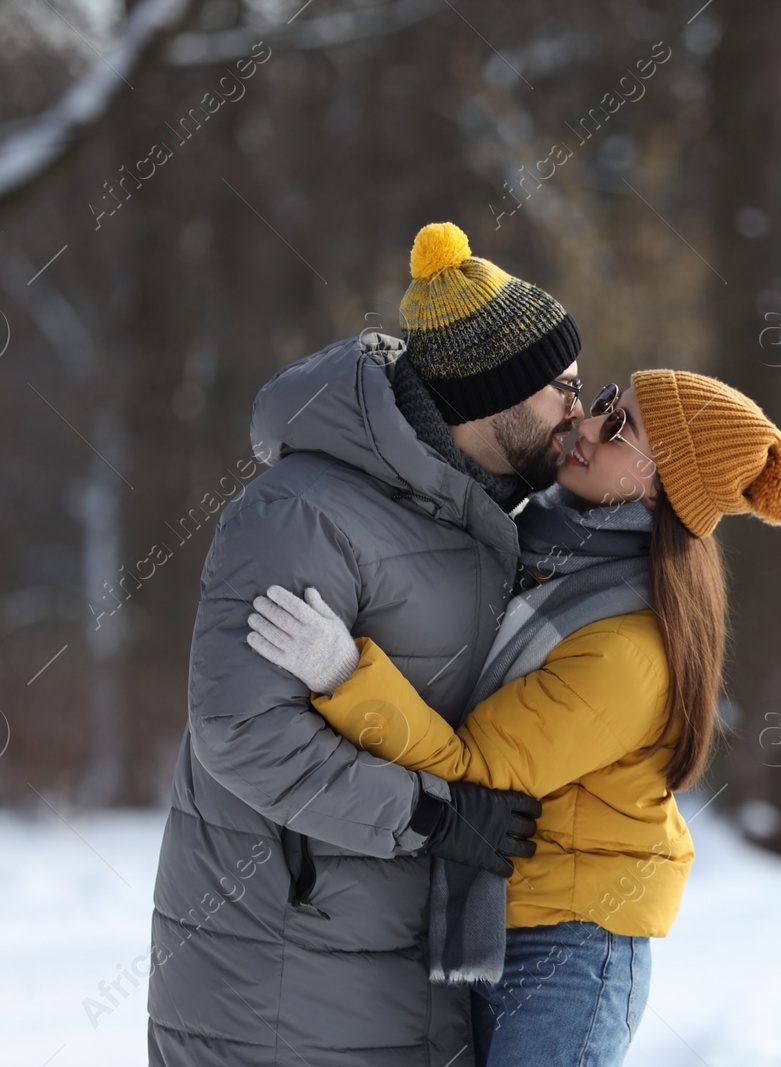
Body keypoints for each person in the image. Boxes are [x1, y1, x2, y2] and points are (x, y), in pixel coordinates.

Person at [245, 370, 781, 1066]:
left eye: (619, 430)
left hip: (568, 954)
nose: (586, 427)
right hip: (506, 923)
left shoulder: (627, 649)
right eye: (607, 403)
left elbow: (474, 772)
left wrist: (345, 675)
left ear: (656, 487)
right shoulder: (547, 554)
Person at [148, 222, 588, 1067]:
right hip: (282, 976)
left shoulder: (490, 516)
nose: (579, 407)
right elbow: (242, 729)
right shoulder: (303, 515)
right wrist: (432, 815)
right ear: (491, 396)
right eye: (560, 386)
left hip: (402, 971)